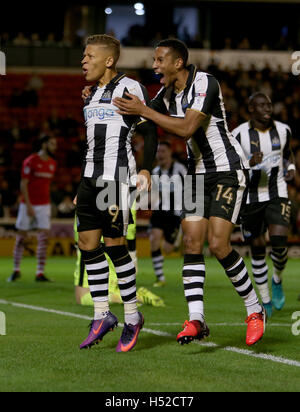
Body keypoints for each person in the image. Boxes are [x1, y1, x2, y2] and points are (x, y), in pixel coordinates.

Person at [112, 38, 266, 346]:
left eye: (159, 60)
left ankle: (254, 310)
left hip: (226, 170)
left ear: (177, 62)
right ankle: (196, 319)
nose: (154, 65)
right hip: (197, 176)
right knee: (193, 242)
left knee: (219, 244)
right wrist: (99, 99)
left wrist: (146, 110)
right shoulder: (167, 94)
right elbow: (139, 118)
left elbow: (186, 128)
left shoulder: (205, 82)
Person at [77, 34, 157, 352]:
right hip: (89, 179)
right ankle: (102, 315)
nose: (83, 60)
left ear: (108, 60)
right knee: (87, 244)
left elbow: (149, 131)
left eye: (89, 55)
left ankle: (133, 317)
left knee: (115, 246)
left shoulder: (130, 88)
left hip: (116, 180)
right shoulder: (90, 94)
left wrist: (145, 169)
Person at [231, 92, 295, 318]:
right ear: (251, 109)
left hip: (277, 193)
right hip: (250, 199)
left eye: (269, 104)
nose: (268, 108)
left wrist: (291, 169)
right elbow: (231, 166)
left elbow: (288, 155)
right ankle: (265, 299)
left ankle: (277, 278)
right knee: (257, 250)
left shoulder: (283, 130)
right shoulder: (238, 134)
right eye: (261, 105)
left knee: (279, 241)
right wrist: (249, 163)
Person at [7, 135, 57, 282]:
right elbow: (23, 184)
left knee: (43, 238)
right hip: (28, 204)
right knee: (22, 236)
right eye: (52, 143)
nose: (55, 146)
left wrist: (50, 204)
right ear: (44, 144)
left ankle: (40, 273)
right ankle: (16, 270)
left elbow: (45, 186)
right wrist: (28, 205)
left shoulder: (53, 163)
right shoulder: (30, 161)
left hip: (44, 205)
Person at [150, 141, 186, 287]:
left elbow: (190, 187)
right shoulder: (155, 172)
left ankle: (178, 238)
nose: (160, 154)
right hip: (160, 210)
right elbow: (155, 193)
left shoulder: (180, 169)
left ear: (170, 152)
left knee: (168, 249)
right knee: (154, 240)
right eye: (158, 152)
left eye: (163, 151)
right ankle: (160, 278)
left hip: (175, 213)